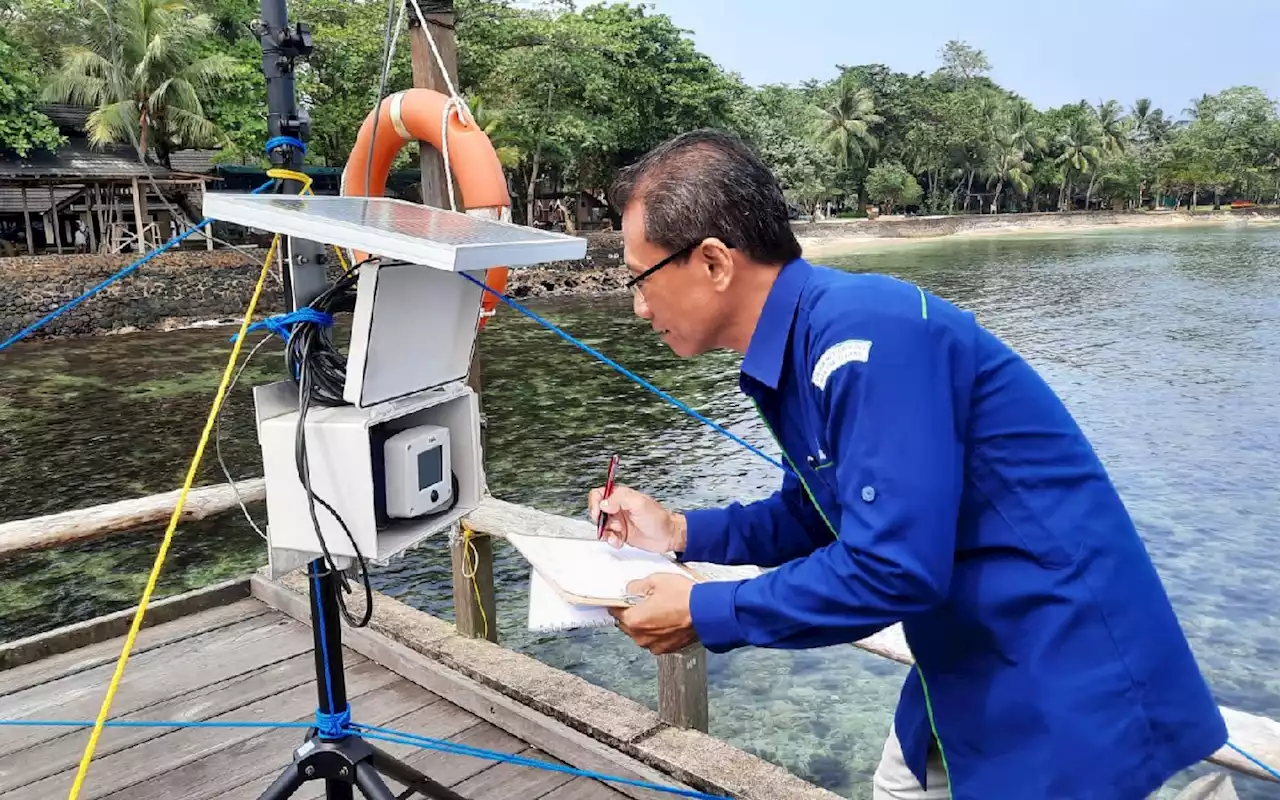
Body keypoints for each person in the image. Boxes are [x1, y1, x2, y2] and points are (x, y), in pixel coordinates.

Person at [586, 129, 1228, 799]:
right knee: (899, 781)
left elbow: (892, 568)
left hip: (1059, 659)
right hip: (969, 654)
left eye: (642, 277)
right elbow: (810, 514)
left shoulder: (864, 340)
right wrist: (680, 532)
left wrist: (706, 608)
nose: (638, 305)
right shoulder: (806, 346)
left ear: (714, 263)